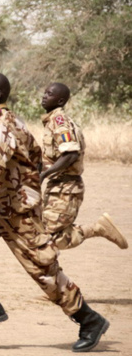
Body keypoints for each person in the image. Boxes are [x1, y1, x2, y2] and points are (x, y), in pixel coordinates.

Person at [0, 73, 110, 352]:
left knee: (44, 272)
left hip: (19, 210)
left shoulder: (1, 124)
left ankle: (89, 319)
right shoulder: (0, 121)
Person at [40, 82, 127, 251]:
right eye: (44, 93)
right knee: (44, 236)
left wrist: (45, 174)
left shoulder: (60, 121)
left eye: (49, 94)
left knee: (49, 240)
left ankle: (97, 229)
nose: (44, 96)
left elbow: (71, 154)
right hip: (58, 185)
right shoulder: (52, 121)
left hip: (66, 188)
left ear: (60, 101)